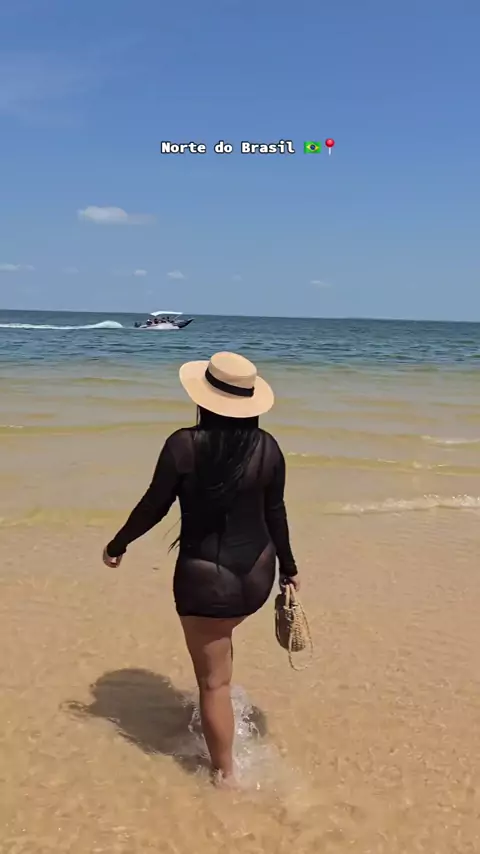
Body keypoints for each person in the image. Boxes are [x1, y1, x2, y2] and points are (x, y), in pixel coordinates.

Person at [102, 352, 299, 786]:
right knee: (222, 644)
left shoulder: (184, 445)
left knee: (213, 684)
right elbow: (275, 511)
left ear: (204, 399)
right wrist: (289, 567)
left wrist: (118, 544)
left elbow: (154, 505)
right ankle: (222, 712)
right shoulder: (267, 447)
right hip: (257, 576)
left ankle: (225, 777)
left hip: (206, 583)